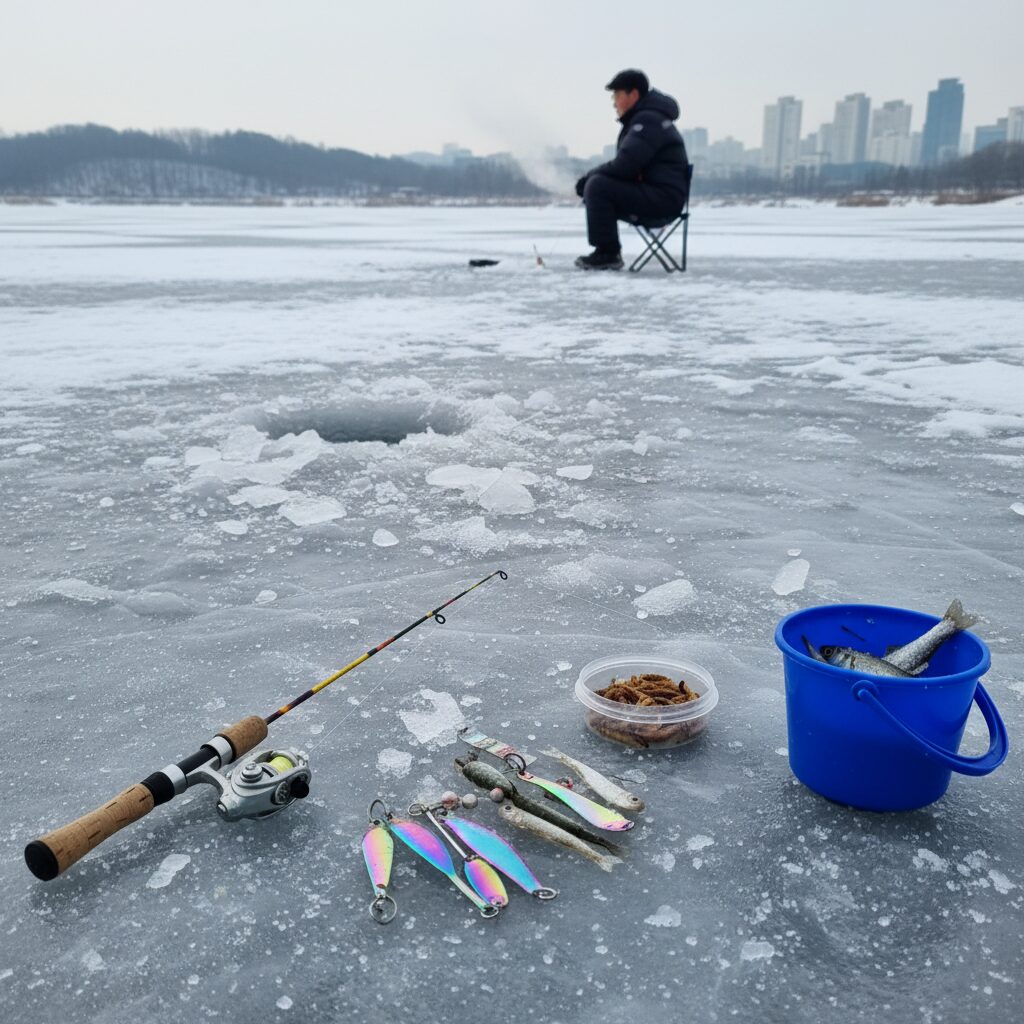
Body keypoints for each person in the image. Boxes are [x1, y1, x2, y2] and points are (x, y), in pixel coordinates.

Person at [574, 69, 690, 270]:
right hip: (661, 196)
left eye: (617, 95)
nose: (614, 102)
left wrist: (588, 178)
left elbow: (625, 165)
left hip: (662, 200)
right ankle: (606, 251)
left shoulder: (648, 121)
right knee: (598, 185)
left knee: (598, 186)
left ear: (633, 95)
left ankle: (607, 254)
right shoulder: (648, 118)